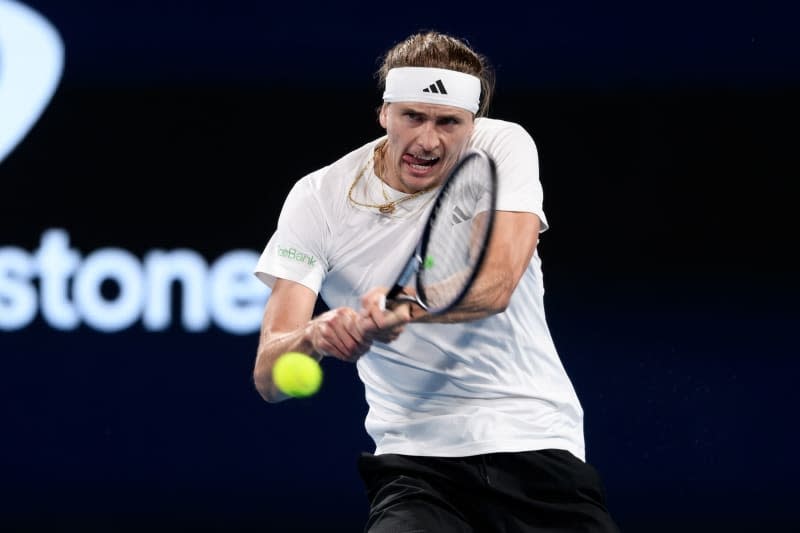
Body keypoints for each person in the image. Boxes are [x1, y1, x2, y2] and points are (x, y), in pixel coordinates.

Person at [252, 30, 619, 533]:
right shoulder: (318, 198)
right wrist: (314, 335)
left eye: (449, 122)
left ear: (474, 123)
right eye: (413, 117)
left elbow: (496, 283)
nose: (429, 140)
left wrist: (403, 306)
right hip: (415, 464)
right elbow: (269, 377)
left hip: (531, 440)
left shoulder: (503, 145)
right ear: (384, 113)